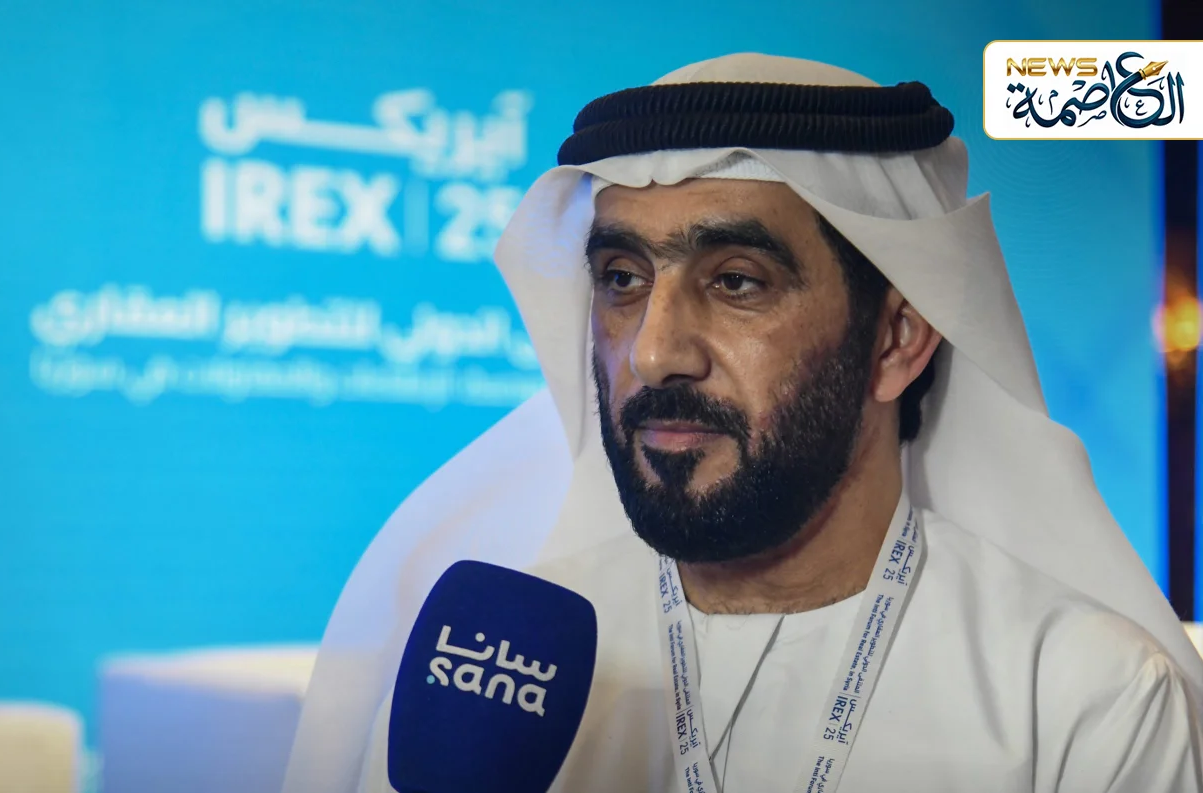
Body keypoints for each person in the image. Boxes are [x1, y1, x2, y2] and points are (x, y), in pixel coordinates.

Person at [282, 53, 1203, 793]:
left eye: (735, 281)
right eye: (621, 279)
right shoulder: (492, 670)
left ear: (896, 339)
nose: (653, 352)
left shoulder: (1080, 695)